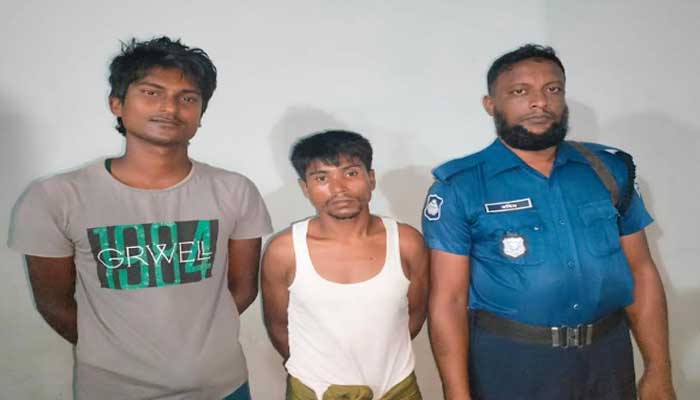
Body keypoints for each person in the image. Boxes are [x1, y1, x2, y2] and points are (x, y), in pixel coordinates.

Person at [8, 37, 272, 399]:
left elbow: (243, 289)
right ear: (117, 103)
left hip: (224, 387)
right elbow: (54, 304)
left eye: (188, 98)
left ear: (200, 114)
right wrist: (117, 353)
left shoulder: (235, 190)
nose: (170, 107)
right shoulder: (56, 197)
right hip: (113, 391)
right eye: (151, 92)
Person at [423, 44, 675, 400]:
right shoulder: (460, 187)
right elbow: (448, 300)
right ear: (490, 104)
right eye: (519, 92)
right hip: (513, 364)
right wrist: (456, 393)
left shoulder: (608, 170)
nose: (540, 102)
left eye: (552, 89)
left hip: (607, 357)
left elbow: (641, 271)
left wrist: (658, 370)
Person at [261, 130, 429, 400]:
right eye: (321, 178)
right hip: (314, 391)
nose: (338, 188)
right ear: (305, 188)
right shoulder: (284, 251)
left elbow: (416, 313)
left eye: (350, 173)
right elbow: (279, 326)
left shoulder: (407, 242)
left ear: (371, 179)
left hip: (397, 388)